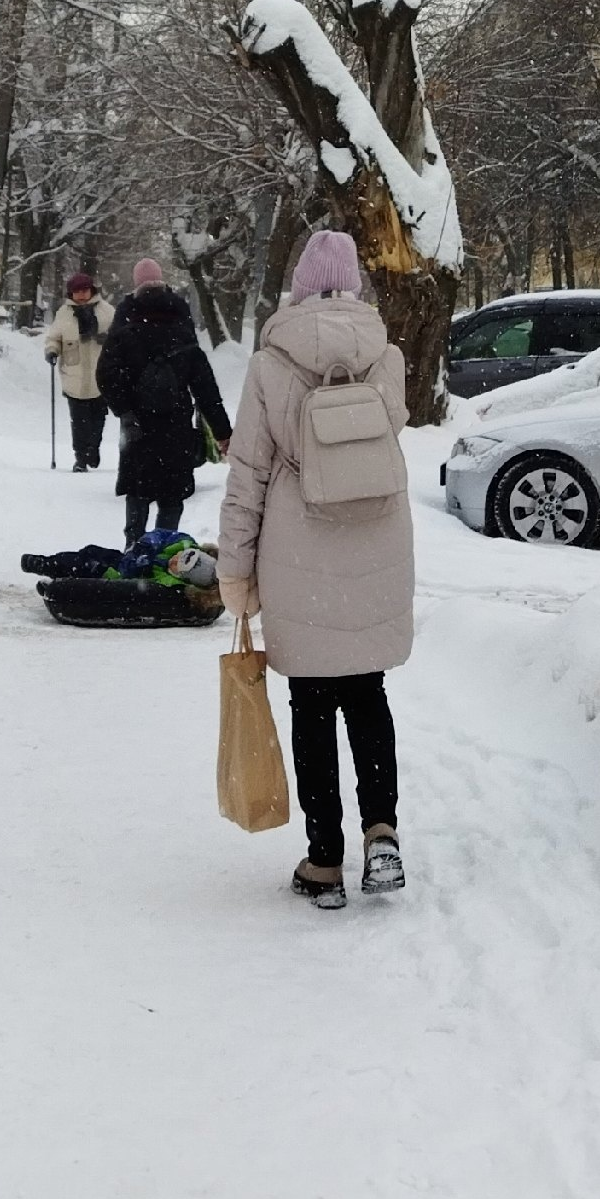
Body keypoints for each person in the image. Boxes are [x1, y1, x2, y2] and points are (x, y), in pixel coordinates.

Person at [215, 228, 412, 910]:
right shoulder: (386, 357)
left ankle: (325, 859)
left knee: (312, 704)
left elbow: (248, 476)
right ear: (355, 286)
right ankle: (381, 830)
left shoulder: (272, 365)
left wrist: (236, 572)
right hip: (378, 543)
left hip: (299, 553)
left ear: (298, 286)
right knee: (368, 695)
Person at [96, 257, 233, 561]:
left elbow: (106, 374)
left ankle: (133, 554)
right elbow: (206, 388)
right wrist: (223, 433)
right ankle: (163, 555)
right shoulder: (181, 323)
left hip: (138, 428)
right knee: (171, 498)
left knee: (139, 492)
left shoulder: (125, 325)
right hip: (176, 427)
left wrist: (125, 410)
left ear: (136, 285)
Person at [41, 272, 116, 471]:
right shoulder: (63, 313)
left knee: (98, 419)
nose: (81, 295)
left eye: (84, 291)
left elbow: (120, 337)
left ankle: (94, 448)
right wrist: (52, 351)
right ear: (71, 293)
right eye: (76, 292)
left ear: (92, 290)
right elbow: (54, 337)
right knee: (79, 421)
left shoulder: (107, 312)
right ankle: (81, 458)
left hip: (101, 377)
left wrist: (106, 339)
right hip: (73, 375)